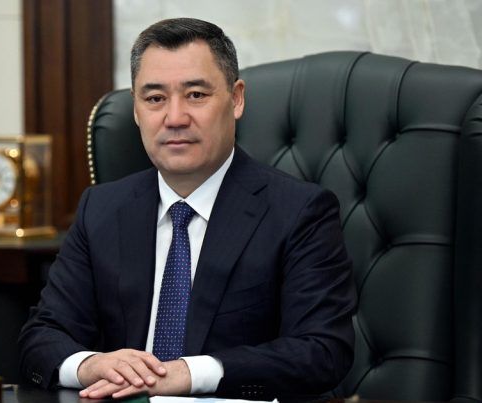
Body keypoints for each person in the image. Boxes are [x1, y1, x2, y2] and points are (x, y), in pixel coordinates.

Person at [18, 17, 356, 400]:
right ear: (136, 110)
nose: (175, 118)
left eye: (195, 95)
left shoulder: (299, 212)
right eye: (155, 99)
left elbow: (322, 352)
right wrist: (90, 365)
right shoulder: (102, 209)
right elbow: (40, 338)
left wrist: (191, 373)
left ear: (236, 99)